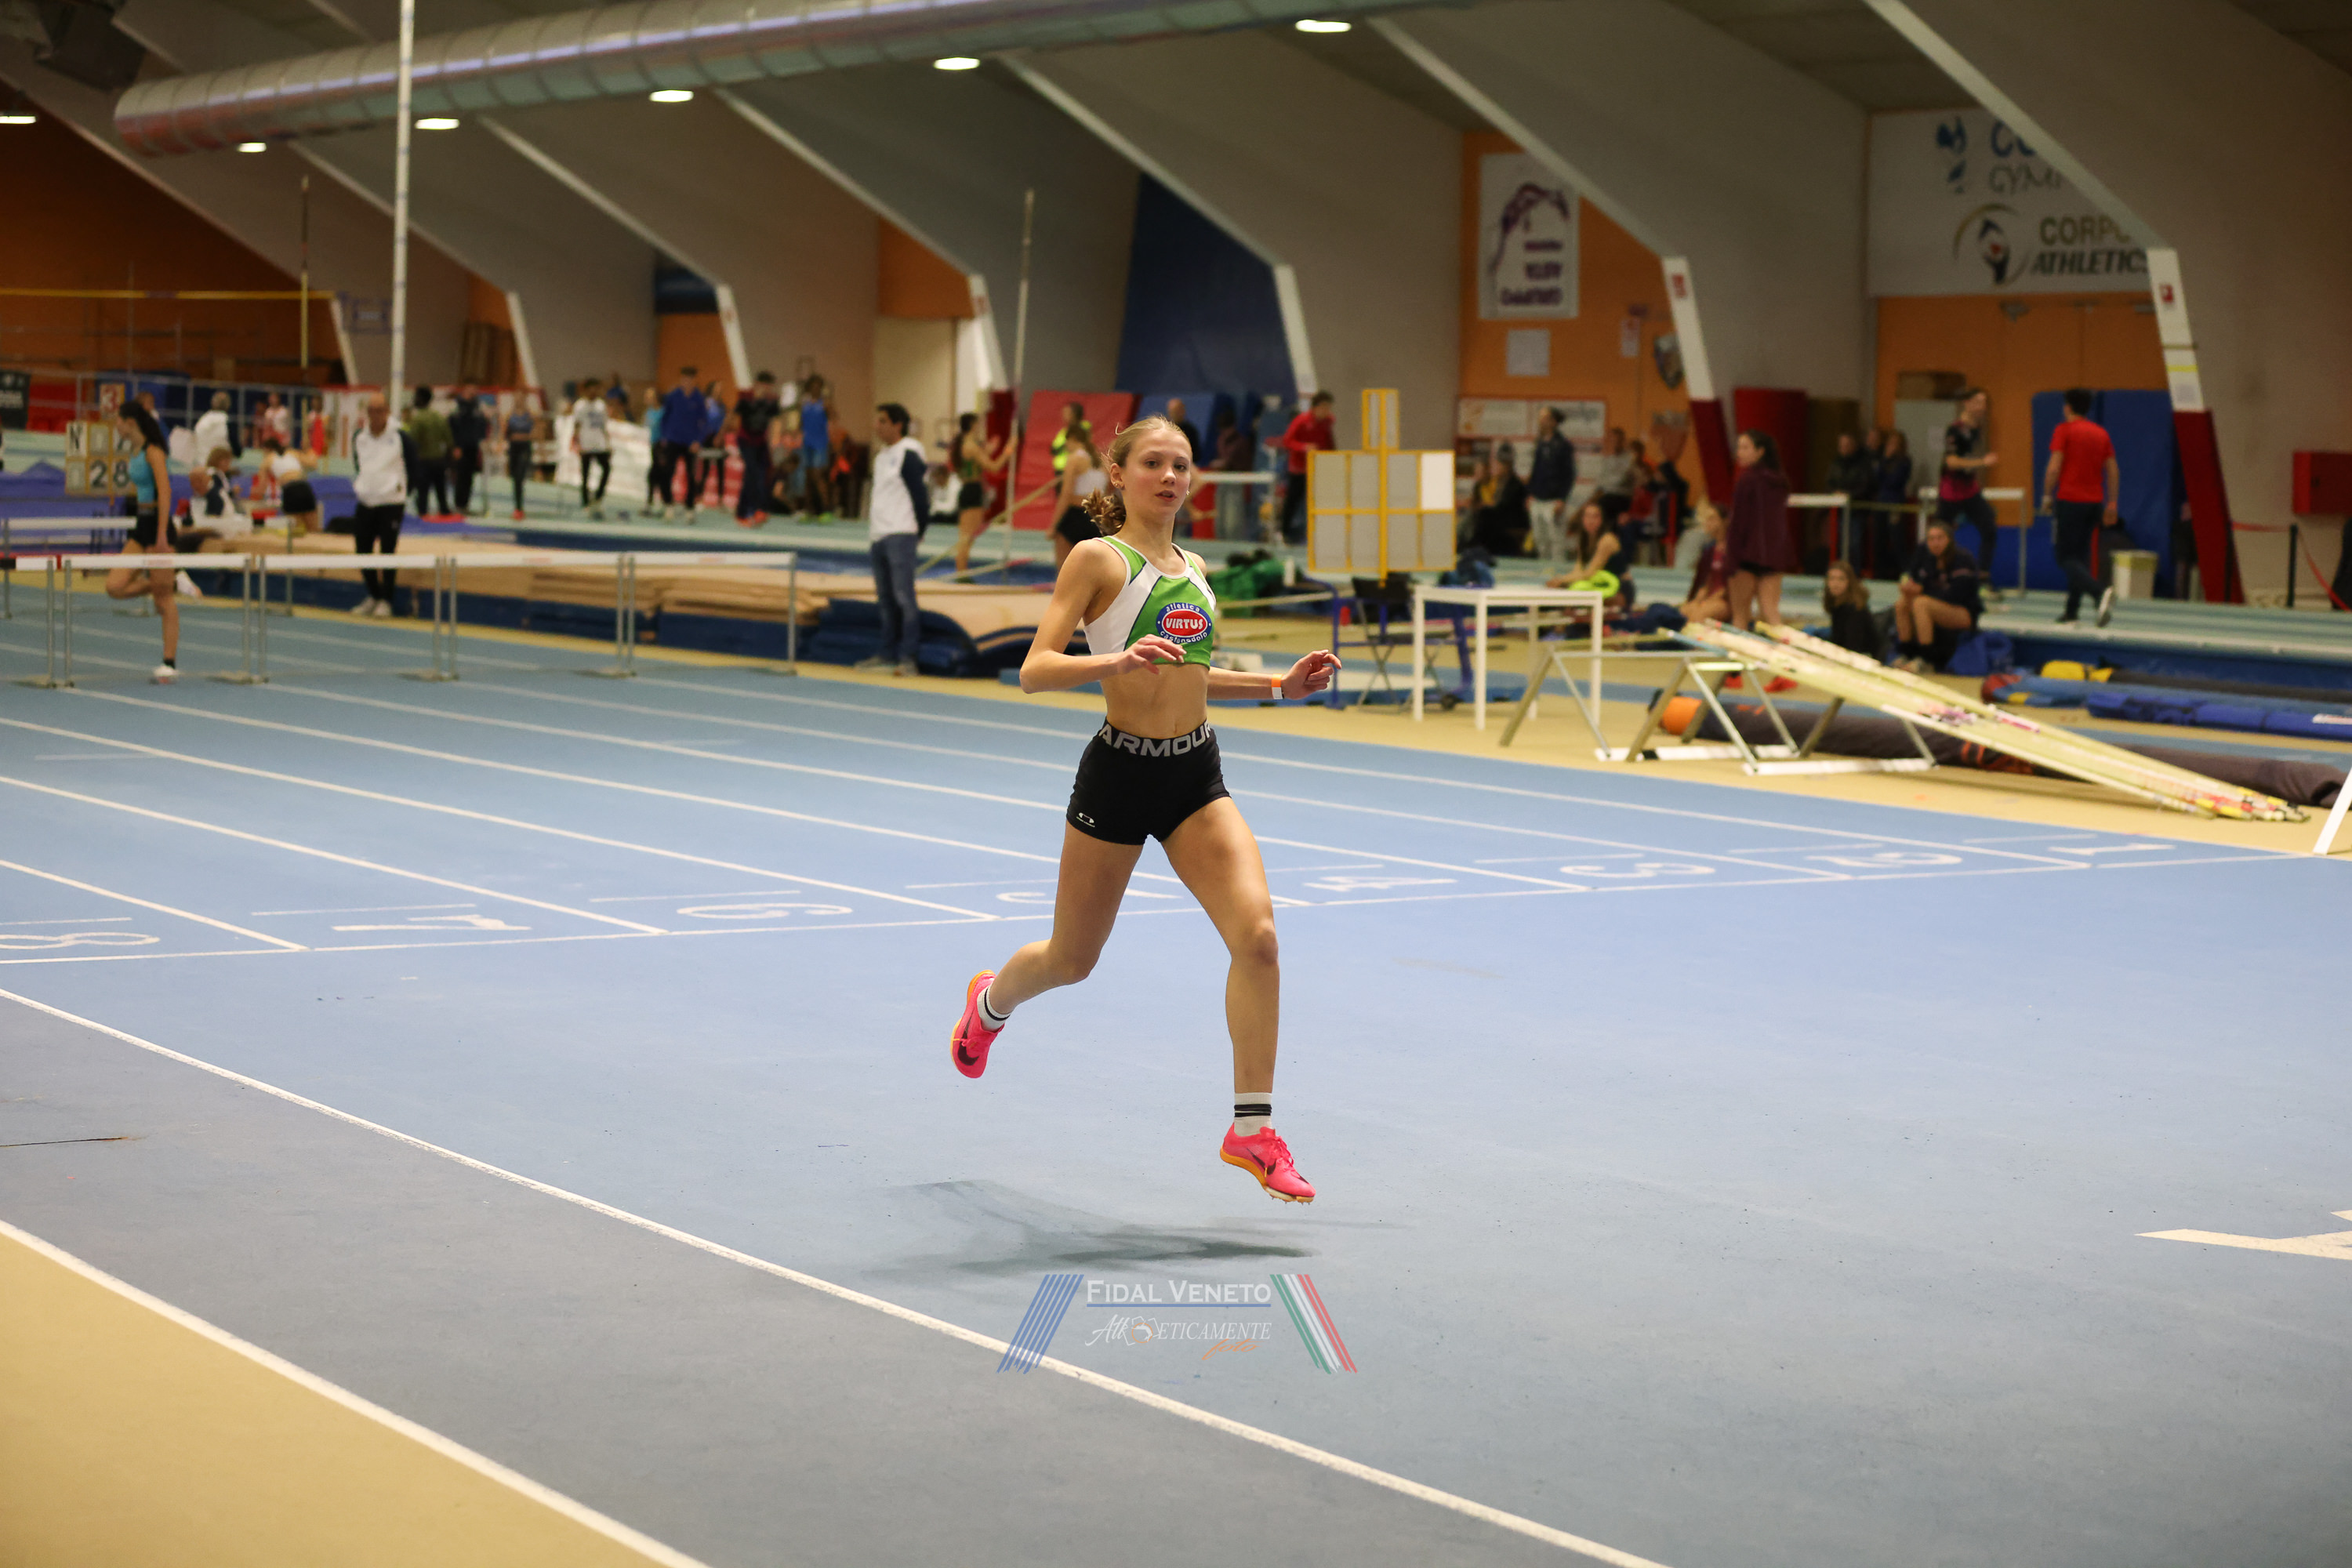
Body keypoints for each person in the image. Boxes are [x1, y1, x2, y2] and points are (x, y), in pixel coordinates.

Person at [946, 414, 1340, 1204]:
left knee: (1260, 939)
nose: (1169, 477)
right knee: (1072, 959)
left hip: (1194, 774)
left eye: (1181, 465)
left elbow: (1192, 676)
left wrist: (1277, 685)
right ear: (1119, 475)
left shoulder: (1196, 567)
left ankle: (1252, 1130)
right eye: (1154, 463)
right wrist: (1116, 661)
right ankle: (989, 1004)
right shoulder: (1098, 558)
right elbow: (1034, 669)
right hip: (1119, 776)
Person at [103, 401, 181, 682]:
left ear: (131, 422)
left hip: (159, 526)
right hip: (141, 525)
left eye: (118, 421)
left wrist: (161, 536)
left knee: (163, 601)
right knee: (114, 587)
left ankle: (169, 663)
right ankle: (167, 581)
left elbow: (165, 492)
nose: (116, 426)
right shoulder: (134, 452)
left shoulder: (153, 451)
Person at [856, 403, 930, 677]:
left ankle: (908, 657)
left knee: (903, 598)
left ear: (898, 425)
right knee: (886, 600)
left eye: (883, 421)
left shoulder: (908, 452)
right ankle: (887, 653)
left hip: (900, 533)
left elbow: (920, 496)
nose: (877, 426)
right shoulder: (881, 456)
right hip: (879, 535)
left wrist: (919, 529)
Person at [2045, 387, 2122, 626]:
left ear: (2067, 407)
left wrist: (2047, 495)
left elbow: (2054, 467)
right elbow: (2113, 470)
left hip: (2070, 501)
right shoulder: (2101, 433)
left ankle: (2099, 593)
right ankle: (2071, 611)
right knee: (2079, 558)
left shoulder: (2064, 430)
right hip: (2094, 503)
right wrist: (2112, 502)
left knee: (2064, 557)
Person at [1724, 430, 1797, 630]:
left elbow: (1739, 522)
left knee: (1741, 616)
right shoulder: (1780, 482)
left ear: (1760, 451)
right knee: (1771, 613)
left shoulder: (1747, 480)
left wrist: (1731, 559)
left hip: (1746, 555)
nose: (1739, 452)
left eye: (1745, 447)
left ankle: (1738, 650)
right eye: (1739, 447)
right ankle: (1782, 646)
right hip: (1772, 557)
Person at [1895, 519, 1982, 673]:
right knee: (1902, 604)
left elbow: (1957, 595)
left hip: (1963, 612)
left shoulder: (1963, 559)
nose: (1936, 543)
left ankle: (1926, 658)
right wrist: (1909, 589)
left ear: (1949, 539)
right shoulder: (1926, 559)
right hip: (1936, 605)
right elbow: (1915, 579)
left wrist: (1921, 591)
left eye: (1940, 538)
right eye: (1931, 539)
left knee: (1921, 603)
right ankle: (1906, 653)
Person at [350, 394, 409, 618]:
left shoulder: (400, 436)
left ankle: (386, 600)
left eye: (379, 410)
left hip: (391, 503)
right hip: (367, 501)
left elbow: (413, 464)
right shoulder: (359, 437)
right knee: (362, 550)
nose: (374, 415)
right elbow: (359, 464)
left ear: (387, 412)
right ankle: (374, 595)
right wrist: (366, 485)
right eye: (371, 411)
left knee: (387, 551)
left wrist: (400, 490)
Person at [1938, 387, 1998, 574]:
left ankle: (1982, 576)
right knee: (1939, 535)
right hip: (1951, 492)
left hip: (1970, 490)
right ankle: (1936, 572)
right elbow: (1951, 461)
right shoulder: (1954, 429)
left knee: (1989, 529)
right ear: (1967, 403)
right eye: (1978, 402)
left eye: (1984, 403)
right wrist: (1982, 462)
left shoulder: (1977, 429)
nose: (1982, 407)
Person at [948, 412, 1007, 572]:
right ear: (973, 425)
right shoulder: (971, 446)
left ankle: (962, 570)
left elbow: (977, 462)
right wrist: (1008, 452)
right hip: (972, 491)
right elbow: (994, 467)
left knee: (969, 535)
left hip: (969, 489)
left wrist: (990, 450)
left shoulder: (964, 444)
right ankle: (961, 571)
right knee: (967, 536)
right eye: (978, 424)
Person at [1552, 497, 1632, 608]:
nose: (1591, 520)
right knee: (1561, 590)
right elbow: (1578, 571)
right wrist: (1559, 581)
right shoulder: (1583, 541)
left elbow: (1590, 573)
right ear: (1582, 519)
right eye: (1587, 516)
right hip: (1598, 585)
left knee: (1573, 594)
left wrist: (1562, 580)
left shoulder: (1607, 540)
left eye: (1595, 516)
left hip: (1618, 589)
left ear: (1602, 520)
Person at [1279, 391, 1334, 544]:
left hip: (1318, 469)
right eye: (1324, 407)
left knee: (1317, 501)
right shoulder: (1302, 421)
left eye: (1328, 408)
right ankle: (1284, 532)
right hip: (1299, 468)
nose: (1326, 411)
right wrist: (1304, 447)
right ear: (1315, 407)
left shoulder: (1328, 422)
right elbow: (1287, 441)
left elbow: (1329, 442)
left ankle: (1317, 533)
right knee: (1293, 500)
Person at [731, 371, 782, 528]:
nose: (766, 389)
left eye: (769, 387)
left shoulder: (771, 401)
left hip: (761, 442)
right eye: (764, 386)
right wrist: (722, 435)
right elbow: (733, 416)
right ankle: (745, 512)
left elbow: (775, 421)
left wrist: (773, 442)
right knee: (751, 472)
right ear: (757, 384)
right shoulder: (746, 398)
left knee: (762, 474)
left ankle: (757, 510)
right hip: (746, 440)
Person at [1052, 427, 1108, 568]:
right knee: (1090, 567)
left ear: (1072, 440)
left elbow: (1066, 494)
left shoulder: (1074, 459)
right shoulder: (1099, 459)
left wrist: (1054, 525)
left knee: (1065, 567)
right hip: (1097, 516)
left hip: (1077, 514)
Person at [658, 367, 708, 521]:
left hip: (691, 443)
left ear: (695, 380)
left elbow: (704, 422)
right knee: (667, 472)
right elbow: (664, 417)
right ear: (681, 379)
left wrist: (698, 441)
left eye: (690, 379)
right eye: (684, 379)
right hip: (673, 440)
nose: (687, 382)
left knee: (691, 476)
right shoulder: (673, 396)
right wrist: (664, 436)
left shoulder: (699, 398)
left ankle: (689, 507)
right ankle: (668, 504)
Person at [1526, 405, 1574, 564]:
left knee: (1556, 541)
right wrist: (1530, 494)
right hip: (1537, 498)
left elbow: (1569, 474)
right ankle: (1543, 571)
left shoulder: (1563, 445)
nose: (1541, 421)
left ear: (1553, 422)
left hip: (1554, 500)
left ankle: (1558, 572)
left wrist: (1562, 498)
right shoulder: (1540, 443)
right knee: (1540, 540)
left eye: (1545, 418)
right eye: (1540, 418)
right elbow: (1536, 470)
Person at [1468, 445, 1530, 557]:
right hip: (1502, 517)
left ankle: (1476, 548)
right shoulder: (1500, 482)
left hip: (1513, 520)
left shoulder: (1514, 484)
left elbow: (1504, 506)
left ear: (1507, 466)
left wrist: (1487, 507)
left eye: (1500, 465)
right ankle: (1474, 547)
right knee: (1481, 515)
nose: (1497, 467)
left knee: (1484, 516)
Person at [1868, 428, 1914, 580]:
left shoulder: (1904, 462)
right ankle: (1879, 574)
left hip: (1895, 504)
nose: (1891, 446)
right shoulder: (1882, 460)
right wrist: (1885, 459)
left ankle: (1905, 573)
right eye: (1890, 443)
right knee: (1879, 539)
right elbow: (1877, 480)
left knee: (1897, 539)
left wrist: (1886, 462)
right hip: (1880, 503)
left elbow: (1894, 482)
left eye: (1895, 443)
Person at [1678, 500, 1732, 623]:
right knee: (1683, 612)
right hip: (1710, 597)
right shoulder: (1709, 551)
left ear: (1724, 521)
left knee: (1699, 614)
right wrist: (1697, 600)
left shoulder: (1731, 551)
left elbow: (1730, 585)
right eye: (1707, 519)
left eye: (1712, 519)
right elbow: (1705, 582)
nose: (1708, 523)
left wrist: (1708, 602)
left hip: (1725, 601)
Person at [257, 434, 319, 534]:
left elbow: (262, 485)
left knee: (297, 531)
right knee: (313, 530)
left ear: (267, 449)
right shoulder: (292, 452)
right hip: (304, 487)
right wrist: (309, 450)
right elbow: (313, 465)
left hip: (290, 490)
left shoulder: (267, 460)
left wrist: (256, 498)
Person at [404, 387, 452, 517]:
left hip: (424, 460)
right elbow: (448, 438)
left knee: (423, 493)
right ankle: (444, 511)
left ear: (420, 399)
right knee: (441, 490)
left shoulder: (418, 419)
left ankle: (423, 514)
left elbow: (412, 442)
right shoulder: (439, 417)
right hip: (439, 460)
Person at [1820, 560, 1879, 657]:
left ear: (1850, 582)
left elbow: (1853, 647)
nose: (1836, 584)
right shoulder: (1836, 606)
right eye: (1832, 579)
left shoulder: (1855, 610)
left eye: (1841, 579)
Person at [448, 383, 488, 515]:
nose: (473, 394)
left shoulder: (477, 408)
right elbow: (452, 427)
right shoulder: (457, 408)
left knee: (469, 477)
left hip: (473, 446)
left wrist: (482, 439)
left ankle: (465, 504)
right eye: (470, 391)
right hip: (460, 447)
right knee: (460, 476)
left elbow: (481, 425)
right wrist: (455, 446)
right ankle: (458, 504)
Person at [799, 376, 833, 517]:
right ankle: (809, 509)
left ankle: (826, 509)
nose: (816, 389)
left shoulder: (825, 404)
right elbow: (801, 424)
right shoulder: (804, 404)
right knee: (808, 477)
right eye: (813, 386)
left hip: (820, 444)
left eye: (818, 386)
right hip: (807, 444)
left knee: (818, 476)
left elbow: (833, 421)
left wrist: (832, 443)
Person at [1591, 426, 1636, 528]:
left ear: (1622, 441)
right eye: (1612, 440)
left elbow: (1620, 480)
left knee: (1603, 504)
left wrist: (1605, 485)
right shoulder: (1608, 459)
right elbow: (1600, 481)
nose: (1614, 443)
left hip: (1622, 497)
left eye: (1617, 441)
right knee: (1590, 508)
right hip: (1607, 496)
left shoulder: (1630, 459)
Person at [504, 399, 537, 521]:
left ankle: (519, 508)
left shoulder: (530, 416)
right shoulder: (509, 416)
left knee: (519, 477)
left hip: (525, 448)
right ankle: (517, 507)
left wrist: (521, 436)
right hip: (513, 449)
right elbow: (505, 433)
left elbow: (535, 433)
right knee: (515, 479)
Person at [1049, 400, 1092, 475]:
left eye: (1067, 413)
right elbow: (1053, 450)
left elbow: (1082, 443)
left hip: (1074, 467)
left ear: (1075, 414)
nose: (1063, 415)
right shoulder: (1063, 431)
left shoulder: (1084, 426)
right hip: (1060, 469)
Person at [193, 391, 233, 464]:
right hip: (219, 465)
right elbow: (236, 450)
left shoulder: (202, 421)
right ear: (228, 405)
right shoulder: (227, 422)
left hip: (200, 463)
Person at [1163, 397, 1200, 461]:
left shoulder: (1190, 431)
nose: (1175, 414)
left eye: (1178, 411)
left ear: (1183, 411)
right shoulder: (1162, 430)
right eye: (1173, 412)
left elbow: (1196, 454)